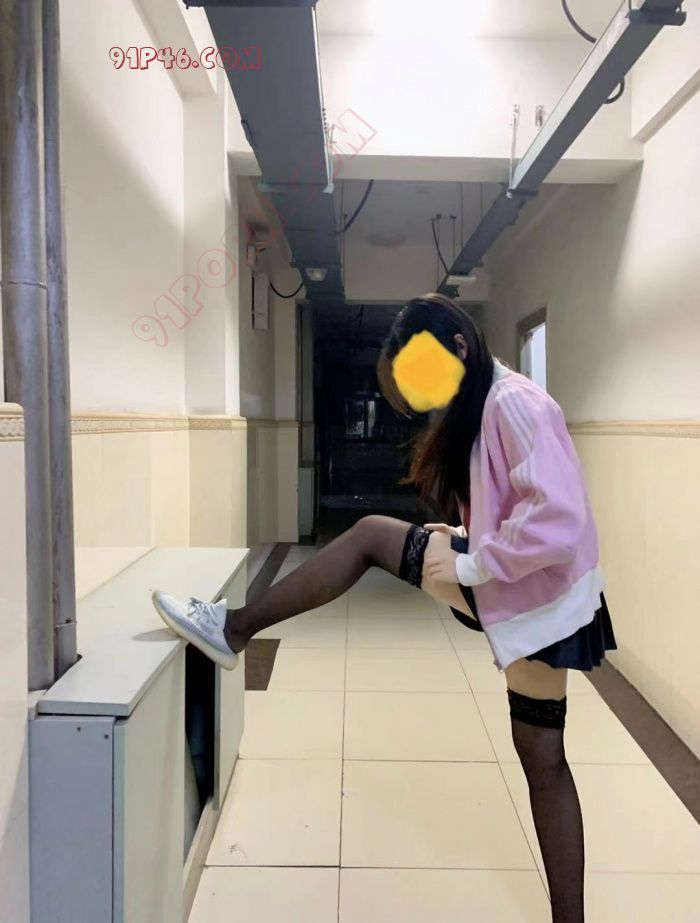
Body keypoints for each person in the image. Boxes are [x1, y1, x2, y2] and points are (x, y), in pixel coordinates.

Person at [152, 292, 615, 923]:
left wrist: (474, 563)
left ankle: (232, 629)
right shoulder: (489, 396)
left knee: (371, 537)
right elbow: (522, 504)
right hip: (544, 596)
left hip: (531, 594)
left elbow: (558, 519)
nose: (425, 395)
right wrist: (470, 540)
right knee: (543, 758)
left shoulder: (512, 402)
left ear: (459, 346)